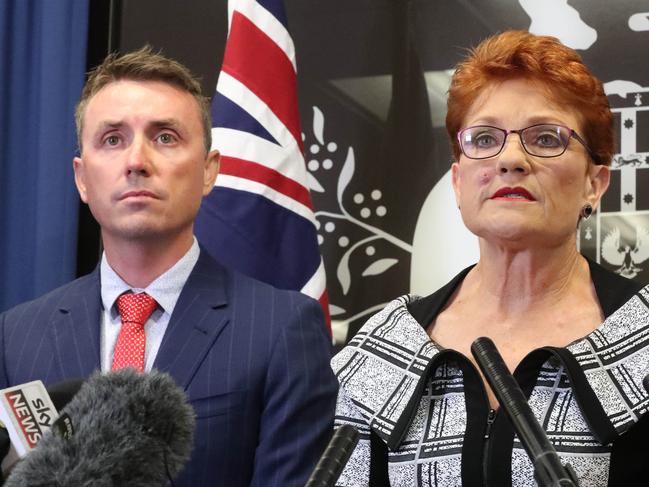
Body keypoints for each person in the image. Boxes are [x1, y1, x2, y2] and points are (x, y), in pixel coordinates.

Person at [0, 47, 338, 486]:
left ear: (208, 171)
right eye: (112, 139)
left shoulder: (282, 330)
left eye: (165, 137)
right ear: (82, 178)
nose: (137, 161)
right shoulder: (16, 336)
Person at [332, 31, 649, 486]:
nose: (511, 159)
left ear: (593, 185)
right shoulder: (383, 346)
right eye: (484, 138)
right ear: (459, 181)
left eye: (545, 137)